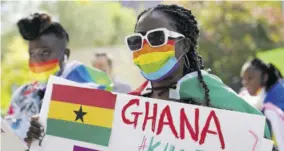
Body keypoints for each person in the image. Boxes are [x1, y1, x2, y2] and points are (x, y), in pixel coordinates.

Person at [27, 4, 273, 148]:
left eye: (156, 38)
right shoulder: (128, 106)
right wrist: (44, 133)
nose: (145, 47)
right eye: (137, 41)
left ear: (184, 46)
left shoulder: (219, 101)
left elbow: (258, 139)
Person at [4, 13, 113, 143]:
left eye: (45, 52)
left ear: (65, 54)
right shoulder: (21, 95)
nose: (37, 60)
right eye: (32, 54)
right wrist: (27, 143)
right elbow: (6, 141)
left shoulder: (87, 90)